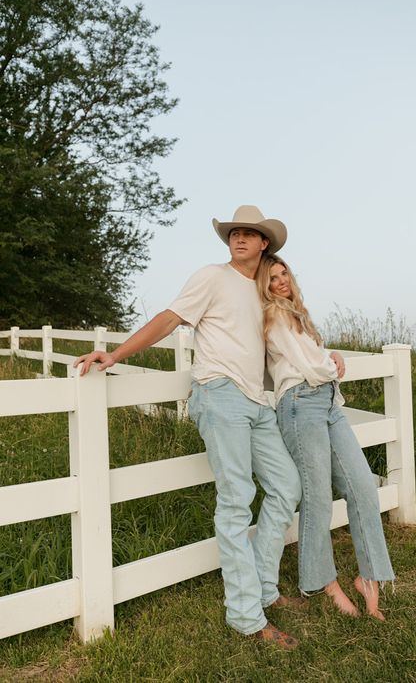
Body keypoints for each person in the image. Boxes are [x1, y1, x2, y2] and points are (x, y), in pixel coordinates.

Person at [74, 206, 304, 650]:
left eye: (249, 234)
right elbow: (169, 318)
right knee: (236, 502)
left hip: (258, 402)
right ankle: (246, 615)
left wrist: (326, 360)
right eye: (234, 232)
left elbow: (286, 341)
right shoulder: (211, 277)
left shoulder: (264, 292)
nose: (239, 238)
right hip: (220, 395)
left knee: (286, 487)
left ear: (264, 244)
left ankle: (263, 589)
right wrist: (115, 355)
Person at [256, 253, 394, 620]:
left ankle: (370, 577)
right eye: (272, 278)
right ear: (263, 286)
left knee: (362, 484)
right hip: (300, 404)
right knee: (317, 497)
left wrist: (328, 354)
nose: (281, 281)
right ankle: (322, 582)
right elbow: (308, 367)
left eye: (284, 273)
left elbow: (314, 358)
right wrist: (330, 363)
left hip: (327, 401)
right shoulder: (273, 314)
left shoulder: (297, 314)